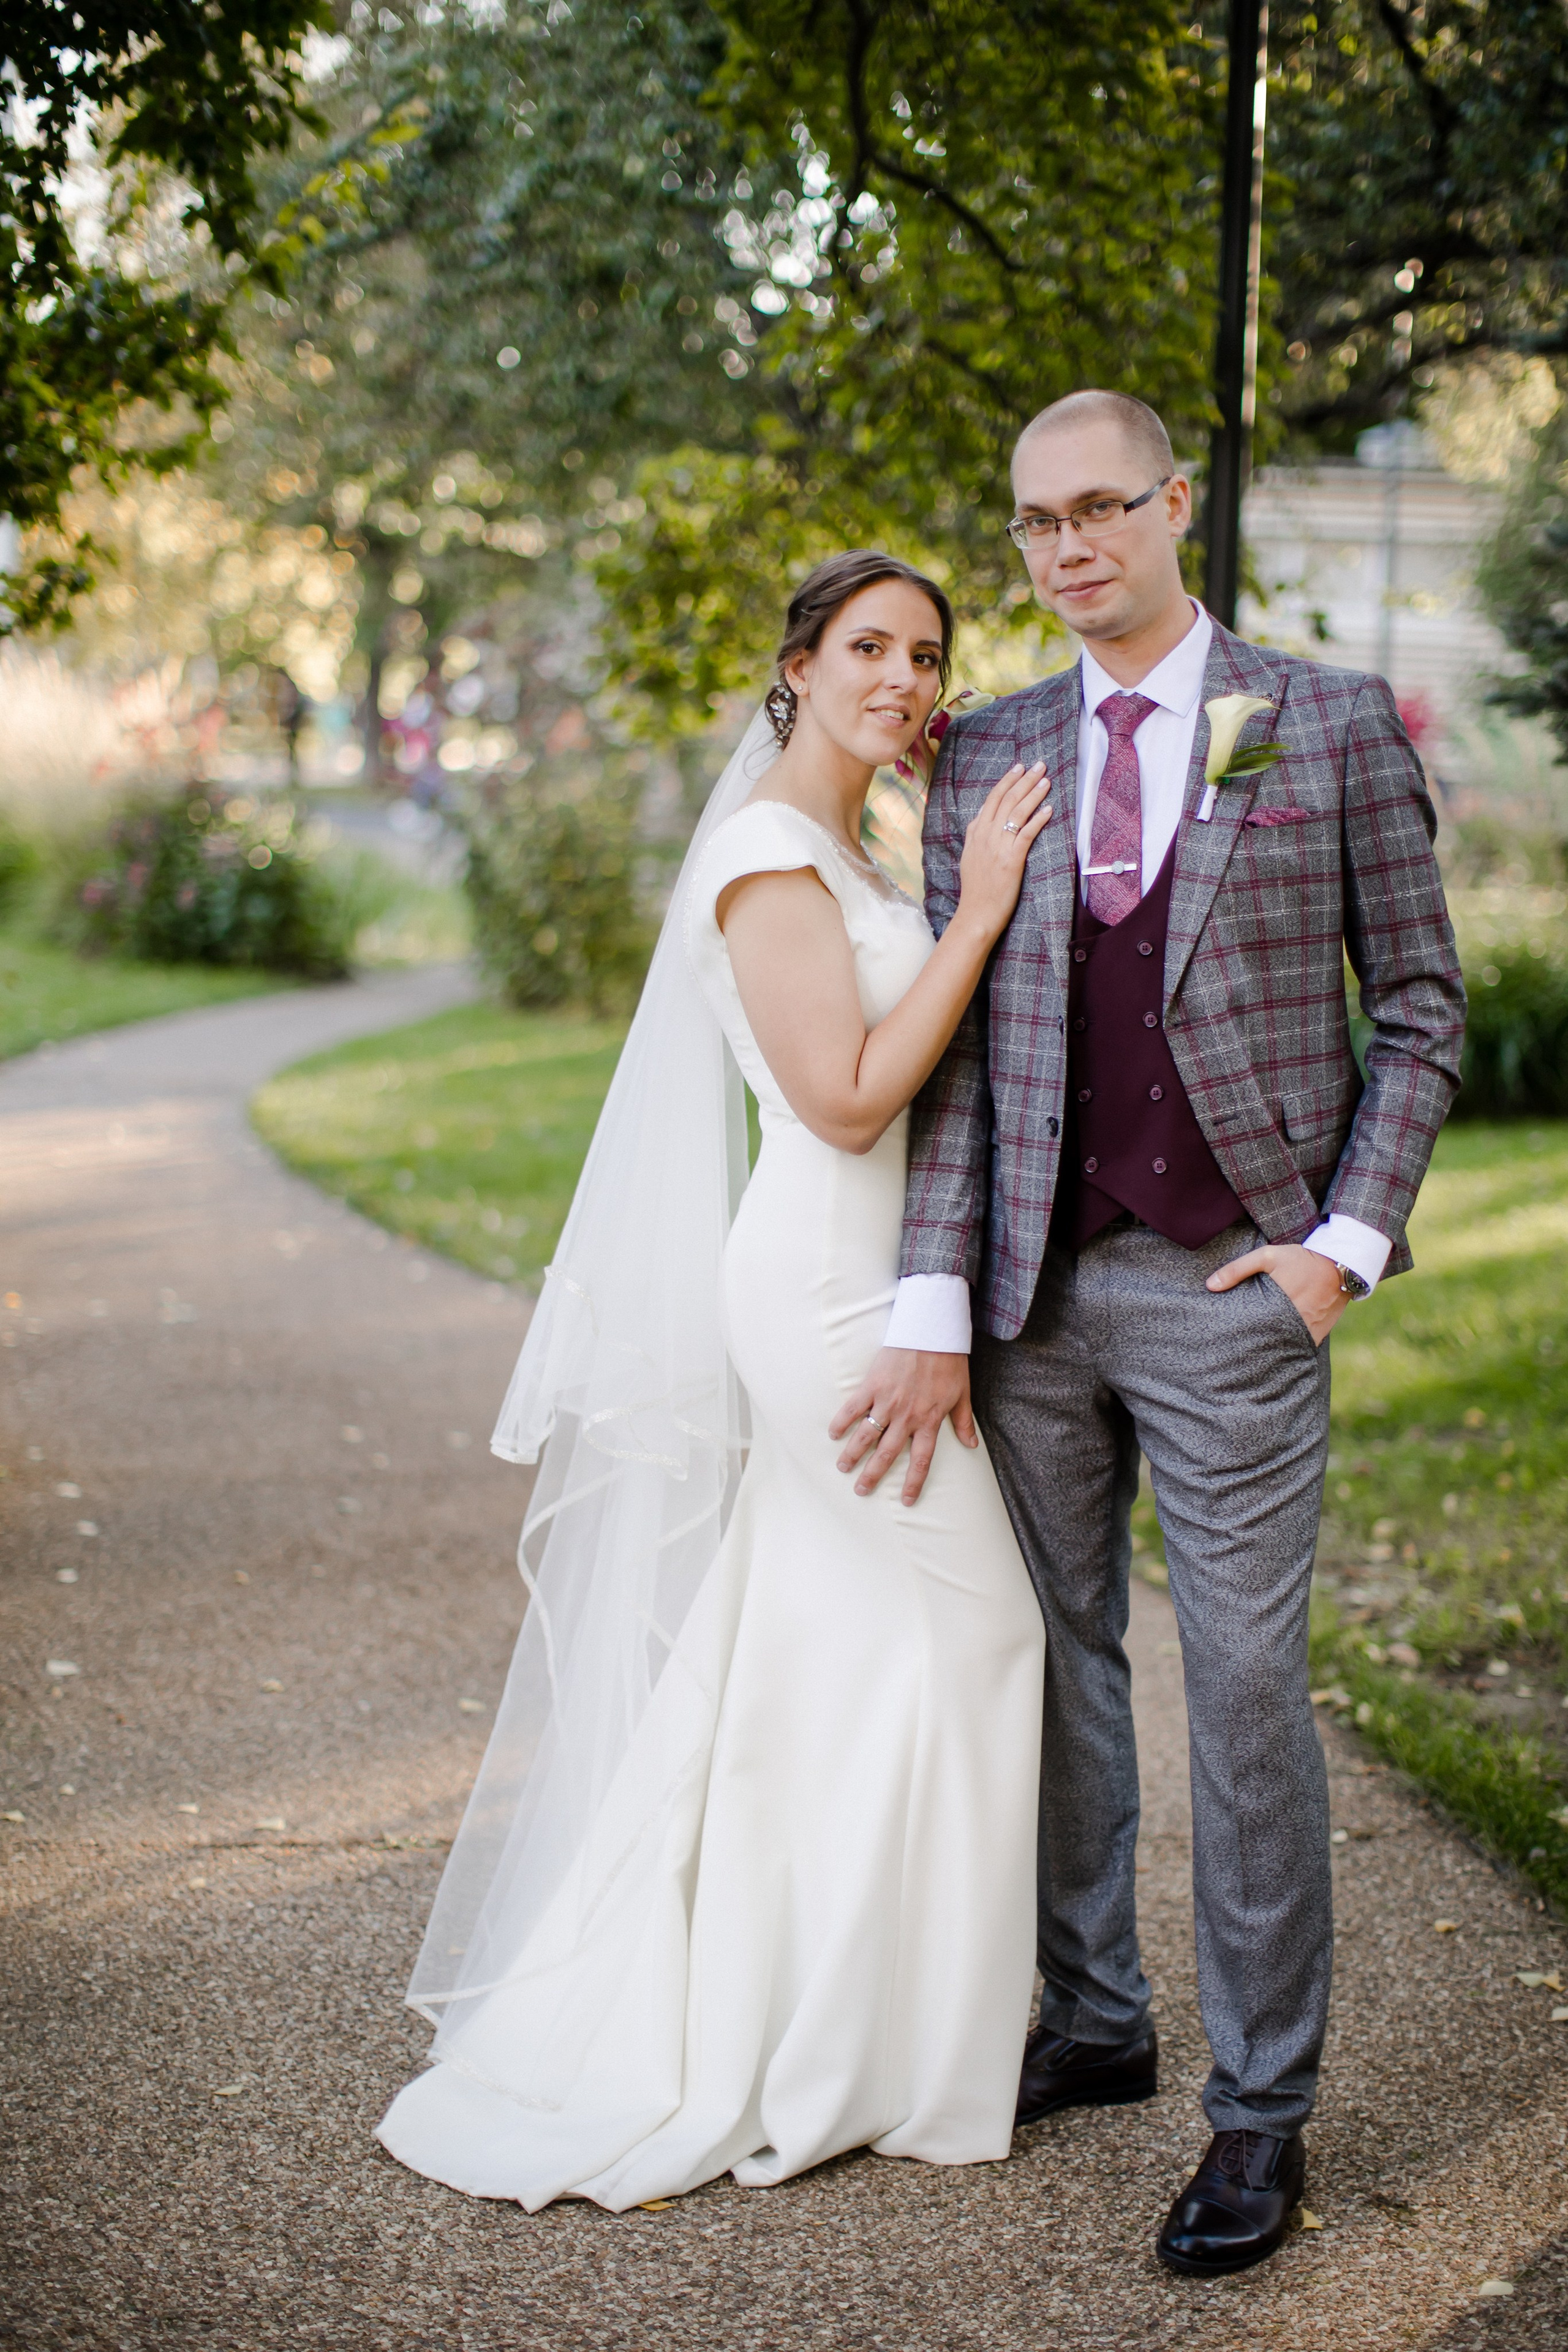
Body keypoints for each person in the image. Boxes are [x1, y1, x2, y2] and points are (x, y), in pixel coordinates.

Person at [835, 390, 1466, 2277]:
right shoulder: (991, 748)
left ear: (1176, 506)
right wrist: (941, 1297)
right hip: (1029, 1294)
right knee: (1055, 1666)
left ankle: (1260, 2114)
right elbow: (961, 1068)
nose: (1068, 546)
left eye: (1102, 506)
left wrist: (1342, 1246)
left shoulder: (1329, 720)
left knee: (1247, 1696)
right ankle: (1093, 2015)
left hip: (1231, 1289)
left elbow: (1421, 1007)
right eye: (1035, 522)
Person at [376, 552, 1054, 2210]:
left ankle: (844, 2026)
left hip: (878, 1275)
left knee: (817, 1649)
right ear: (798, 666)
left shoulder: (846, 841)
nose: (902, 675)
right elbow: (839, 1097)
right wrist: (977, 911)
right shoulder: (766, 857)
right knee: (982, 1628)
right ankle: (846, 2040)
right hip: (827, 1287)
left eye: (927, 654)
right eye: (869, 647)